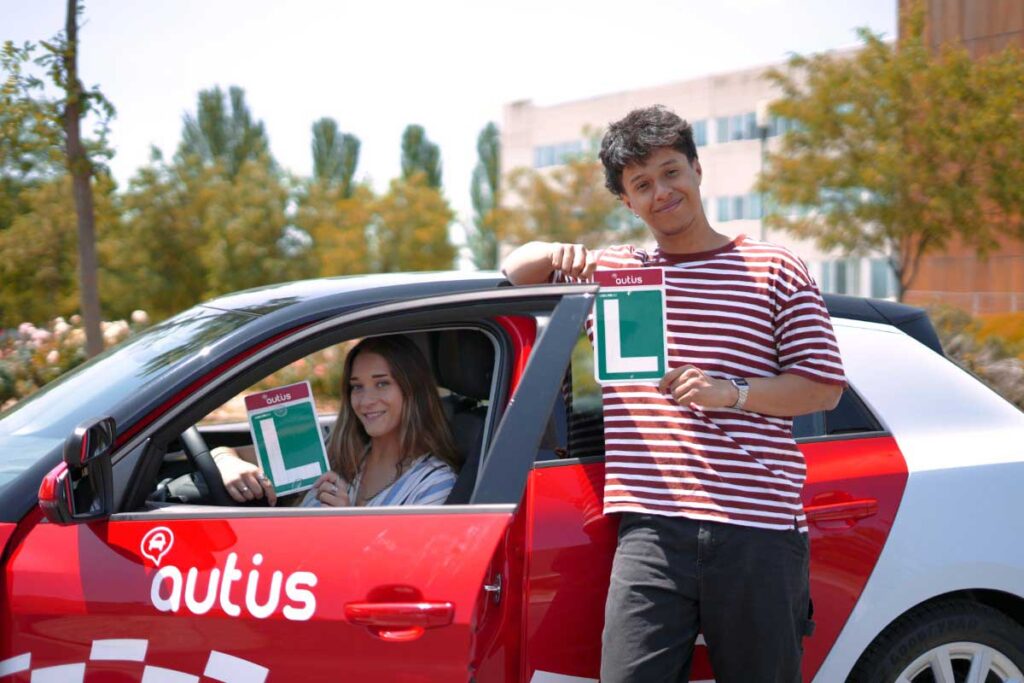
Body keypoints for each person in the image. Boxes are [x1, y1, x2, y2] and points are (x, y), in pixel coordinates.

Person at [502, 105, 846, 683]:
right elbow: (513, 276)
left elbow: (823, 388)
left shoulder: (774, 267)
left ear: (697, 170)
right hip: (651, 530)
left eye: (670, 172)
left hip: (757, 529)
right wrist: (548, 250)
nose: (661, 191)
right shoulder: (616, 275)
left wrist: (730, 393)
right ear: (626, 201)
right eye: (642, 184)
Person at [212, 335, 460, 508]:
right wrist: (227, 463)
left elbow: (410, 571)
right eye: (357, 387)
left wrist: (346, 520)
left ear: (412, 390)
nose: (365, 401)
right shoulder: (331, 449)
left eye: (382, 383)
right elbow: (229, 452)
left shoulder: (434, 482)